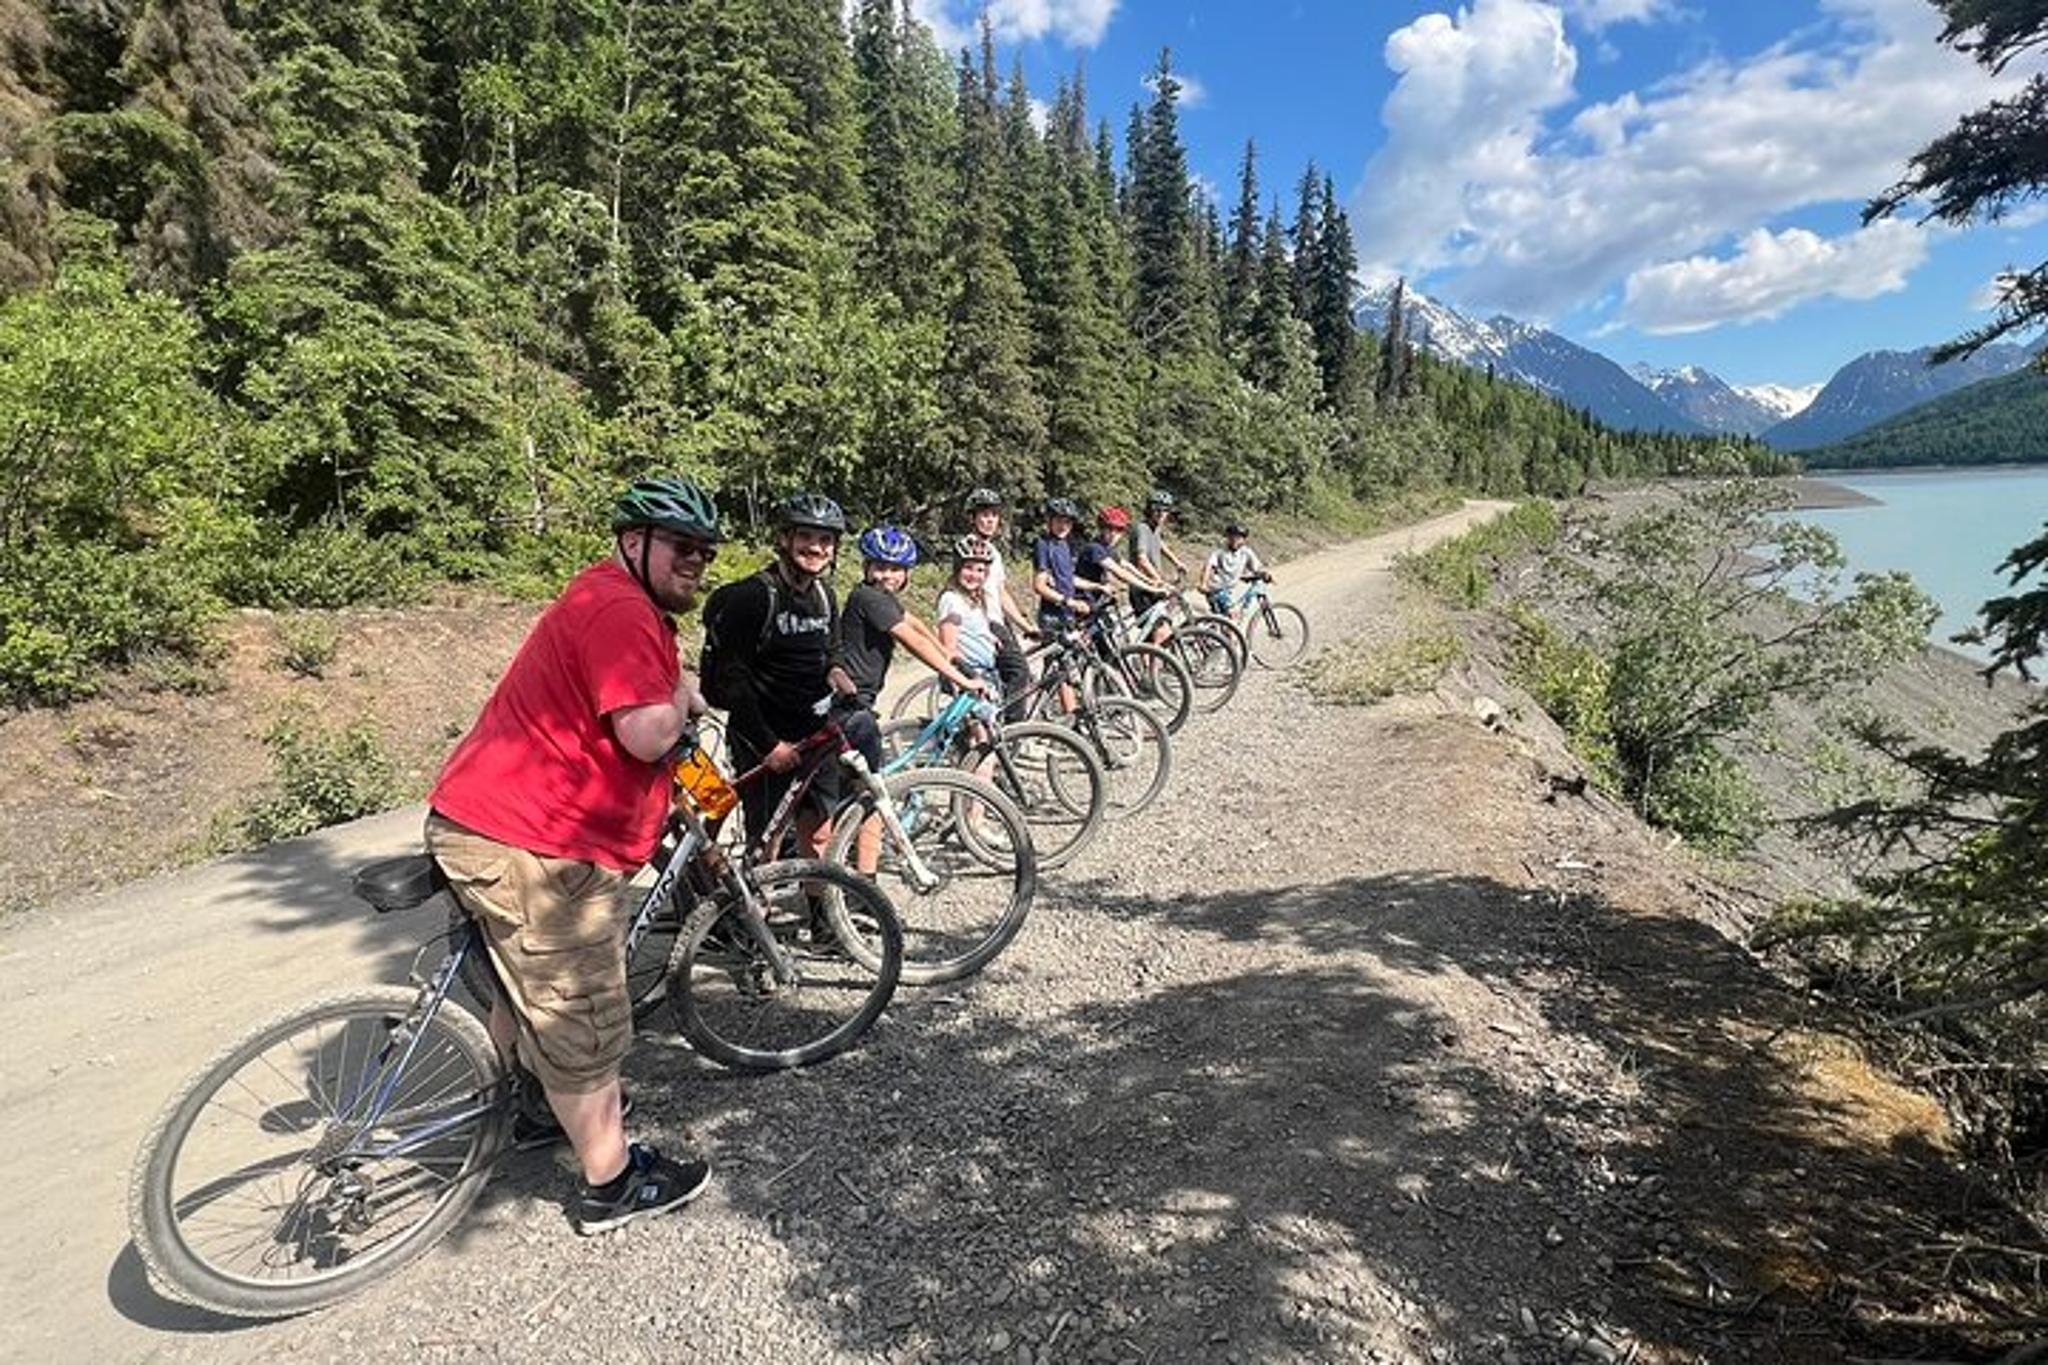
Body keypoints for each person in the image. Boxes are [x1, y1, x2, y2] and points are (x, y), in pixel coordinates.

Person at [425, 474, 718, 1236]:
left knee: (526, 990)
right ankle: (611, 1183)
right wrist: (684, 713)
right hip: (537, 840)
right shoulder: (621, 608)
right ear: (635, 541)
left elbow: (657, 692)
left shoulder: (613, 602)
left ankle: (532, 1108)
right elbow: (647, 734)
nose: (696, 561)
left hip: (497, 820)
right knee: (582, 1013)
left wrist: (679, 690)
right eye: (682, 546)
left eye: (705, 551)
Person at [699, 492, 850, 859]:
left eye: (825, 540)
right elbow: (734, 681)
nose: (816, 548)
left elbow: (831, 649)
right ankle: (751, 907)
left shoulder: (825, 595)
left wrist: (837, 671)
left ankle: (820, 913)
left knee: (818, 830)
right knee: (767, 836)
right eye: (806, 537)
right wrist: (769, 745)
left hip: (814, 732)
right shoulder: (754, 597)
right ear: (785, 539)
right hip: (761, 735)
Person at [832, 525, 993, 871]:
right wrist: (960, 678)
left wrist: (952, 658)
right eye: (879, 566)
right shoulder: (868, 598)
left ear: (906, 574)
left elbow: (918, 626)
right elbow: (911, 641)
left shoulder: (884, 599)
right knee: (873, 797)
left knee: (856, 792)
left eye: (894, 569)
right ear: (866, 567)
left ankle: (847, 864)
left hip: (859, 702)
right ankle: (863, 882)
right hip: (849, 705)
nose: (886, 575)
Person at [963, 487, 1037, 714]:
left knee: (1012, 676)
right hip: (986, 622)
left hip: (997, 620)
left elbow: (1000, 592)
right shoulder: (970, 547)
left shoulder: (993, 550)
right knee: (1019, 672)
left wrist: (1025, 625)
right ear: (972, 518)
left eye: (994, 515)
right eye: (984, 515)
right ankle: (1014, 734)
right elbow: (970, 592)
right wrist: (986, 628)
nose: (989, 520)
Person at [1127, 489, 1191, 640]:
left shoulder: (1154, 528)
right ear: (1150, 509)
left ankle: (1152, 660)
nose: (1162, 514)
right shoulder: (1141, 528)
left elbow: (1160, 545)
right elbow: (1141, 559)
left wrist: (1177, 562)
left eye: (1165, 510)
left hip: (1152, 585)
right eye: (1158, 510)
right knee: (1160, 632)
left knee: (1157, 632)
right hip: (1142, 588)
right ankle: (1153, 662)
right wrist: (1159, 579)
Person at [1031, 497, 1092, 634]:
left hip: (1068, 614)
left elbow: (1070, 578)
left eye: (1068, 522)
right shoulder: (1043, 545)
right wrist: (1069, 602)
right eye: (1059, 521)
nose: (1063, 526)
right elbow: (1039, 586)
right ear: (1049, 521)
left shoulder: (1065, 544)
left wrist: (1098, 586)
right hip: (1052, 617)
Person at [1202, 520, 1270, 619]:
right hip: (1218, 589)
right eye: (1232, 537)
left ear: (1244, 539)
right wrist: (1203, 583)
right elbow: (1208, 566)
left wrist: (1264, 574)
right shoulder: (1220, 552)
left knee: (1224, 621)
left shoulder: (1246, 552)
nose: (1235, 540)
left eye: (1239, 538)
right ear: (1227, 537)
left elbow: (1256, 568)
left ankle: (1217, 632)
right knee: (1233, 618)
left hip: (1229, 591)